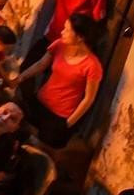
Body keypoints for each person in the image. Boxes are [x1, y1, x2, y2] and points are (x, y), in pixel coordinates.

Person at [15, 13, 104, 146]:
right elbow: (40, 64)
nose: (62, 32)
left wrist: (68, 124)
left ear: (80, 37)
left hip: (60, 114)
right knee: (20, 131)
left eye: (67, 30)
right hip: (41, 101)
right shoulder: (59, 45)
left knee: (46, 143)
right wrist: (20, 78)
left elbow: (88, 99)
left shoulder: (92, 65)